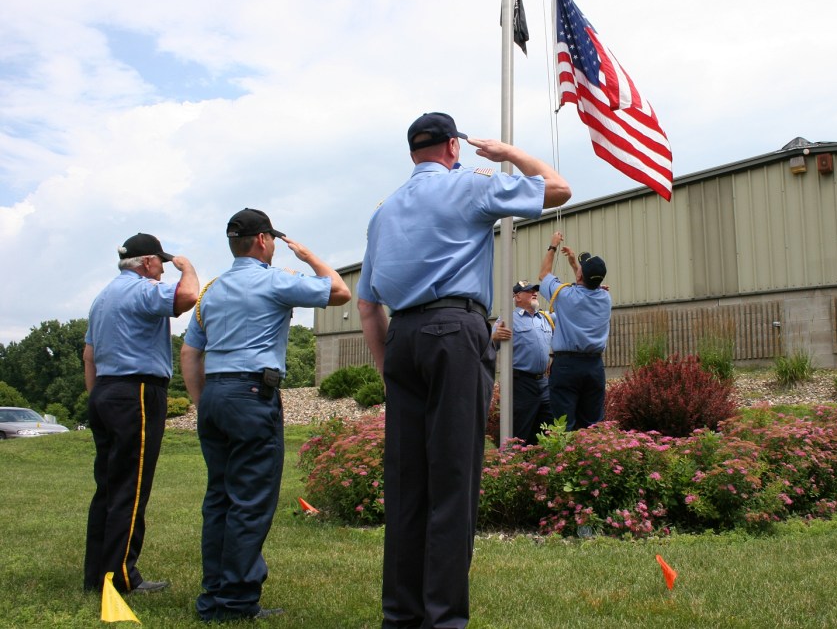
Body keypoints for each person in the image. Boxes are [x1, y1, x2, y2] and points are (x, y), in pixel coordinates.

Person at [358, 112, 571, 629]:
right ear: (454, 146)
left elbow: (367, 306)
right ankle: (444, 618)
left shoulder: (382, 213)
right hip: (454, 331)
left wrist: (391, 370)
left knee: (408, 484)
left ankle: (401, 617)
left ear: (413, 152)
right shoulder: (467, 188)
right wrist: (507, 153)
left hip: (403, 337)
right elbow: (558, 188)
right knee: (452, 481)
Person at [180, 208, 350, 622]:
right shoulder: (275, 281)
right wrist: (309, 257)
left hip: (216, 394)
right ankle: (237, 603)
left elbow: (190, 352)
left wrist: (204, 402)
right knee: (250, 501)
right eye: (272, 239)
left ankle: (213, 598)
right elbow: (340, 291)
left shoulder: (212, 290)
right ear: (263, 240)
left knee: (219, 498)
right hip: (252, 394)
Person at [83, 232, 199, 594]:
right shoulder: (142, 290)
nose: (163, 270)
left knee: (108, 486)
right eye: (161, 264)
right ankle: (120, 578)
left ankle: (96, 576)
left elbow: (89, 356)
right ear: (148, 262)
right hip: (137, 392)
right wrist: (187, 267)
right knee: (131, 488)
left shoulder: (102, 298)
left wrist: (98, 398)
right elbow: (188, 296)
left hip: (105, 390)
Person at [539, 231, 612, 431]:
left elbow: (544, 275)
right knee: (592, 426)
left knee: (563, 424)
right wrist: (574, 264)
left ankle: (562, 460)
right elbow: (587, 285)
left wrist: (552, 246)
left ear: (580, 275)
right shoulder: (605, 298)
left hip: (567, 366)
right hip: (594, 366)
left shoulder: (564, 295)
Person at [491, 280, 555, 444]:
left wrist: (592, 290)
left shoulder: (545, 317)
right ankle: (514, 465)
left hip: (544, 382)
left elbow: (571, 312)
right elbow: (490, 343)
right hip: (521, 383)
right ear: (517, 296)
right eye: (529, 291)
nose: (534, 293)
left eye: (535, 290)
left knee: (548, 428)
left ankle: (541, 465)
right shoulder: (508, 319)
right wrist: (494, 337)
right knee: (520, 429)